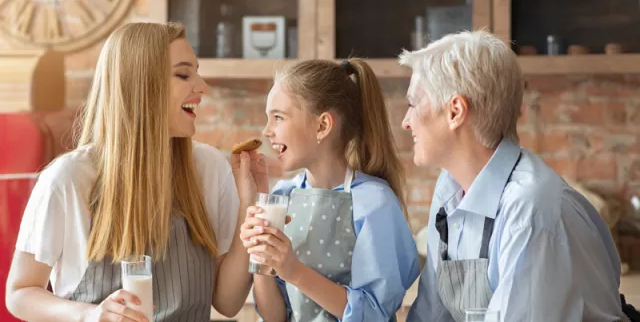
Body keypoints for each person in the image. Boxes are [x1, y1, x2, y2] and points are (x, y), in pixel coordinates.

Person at [5, 22, 258, 322]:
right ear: (141, 84)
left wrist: (249, 208)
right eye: (183, 74)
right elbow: (20, 293)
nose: (202, 86)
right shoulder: (68, 179)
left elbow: (228, 303)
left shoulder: (209, 167)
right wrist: (91, 315)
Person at [400, 30, 630, 322]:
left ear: (455, 111)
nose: (406, 122)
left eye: (413, 104)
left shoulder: (531, 210)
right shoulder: (450, 188)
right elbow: (431, 315)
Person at [237, 59, 421, 321]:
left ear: (322, 125)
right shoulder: (283, 195)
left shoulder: (374, 202)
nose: (267, 131)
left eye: (278, 117)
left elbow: (374, 314)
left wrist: (294, 271)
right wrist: (260, 255)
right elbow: (274, 316)